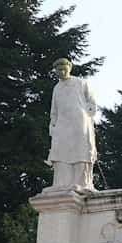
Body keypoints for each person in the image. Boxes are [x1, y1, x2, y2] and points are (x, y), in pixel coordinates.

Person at [47, 58, 97, 191]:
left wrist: (87, 116)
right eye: (58, 70)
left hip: (79, 121)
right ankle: (61, 183)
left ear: (70, 67)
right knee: (60, 150)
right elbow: (54, 109)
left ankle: (81, 182)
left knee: (80, 149)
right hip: (62, 123)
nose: (62, 72)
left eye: (64, 69)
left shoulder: (80, 83)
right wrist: (53, 123)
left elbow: (92, 102)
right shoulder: (57, 88)